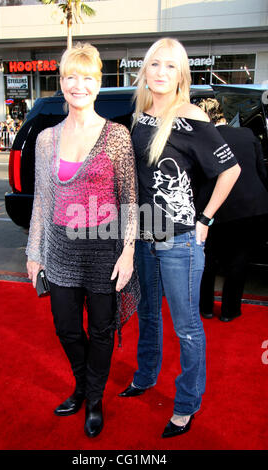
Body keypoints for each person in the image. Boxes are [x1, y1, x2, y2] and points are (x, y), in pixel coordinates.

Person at [119, 37, 241, 438]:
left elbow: (231, 170)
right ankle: (145, 376)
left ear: (182, 75)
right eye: (155, 64)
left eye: (170, 66)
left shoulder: (190, 117)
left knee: (187, 327)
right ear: (145, 69)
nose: (160, 72)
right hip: (145, 238)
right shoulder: (141, 115)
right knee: (149, 316)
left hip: (180, 242)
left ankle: (187, 405)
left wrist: (205, 218)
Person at [26, 42, 139, 438]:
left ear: (98, 83)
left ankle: (93, 399)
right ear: (62, 82)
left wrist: (127, 253)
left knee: (103, 331)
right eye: (72, 76)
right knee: (67, 327)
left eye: (88, 77)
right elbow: (42, 199)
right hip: (59, 248)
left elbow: (130, 200)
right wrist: (35, 252)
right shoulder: (46, 140)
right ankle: (82, 382)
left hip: (105, 249)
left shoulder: (116, 136)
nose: (79, 85)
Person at [197, 98, 268, 322]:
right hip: (251, 208)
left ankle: (206, 309)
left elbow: (197, 180)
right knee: (239, 260)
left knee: (208, 262)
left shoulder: (203, 140)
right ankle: (230, 312)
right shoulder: (247, 135)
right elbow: (262, 172)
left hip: (216, 210)